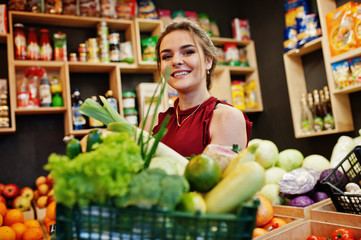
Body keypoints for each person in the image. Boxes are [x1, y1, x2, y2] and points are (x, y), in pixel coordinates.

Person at [143, 20, 252, 158]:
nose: (175, 61)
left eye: (188, 52)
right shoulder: (148, 125)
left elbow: (219, 178)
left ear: (208, 61)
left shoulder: (228, 118)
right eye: (167, 56)